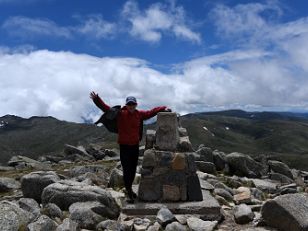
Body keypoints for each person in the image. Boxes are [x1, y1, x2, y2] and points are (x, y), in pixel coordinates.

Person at [90, 91, 171, 203]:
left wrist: (163, 108)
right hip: (124, 147)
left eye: (133, 104)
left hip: (134, 147)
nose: (131, 106)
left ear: (136, 105)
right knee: (127, 170)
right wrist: (97, 100)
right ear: (126, 105)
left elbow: (151, 112)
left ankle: (129, 190)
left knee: (132, 170)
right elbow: (107, 109)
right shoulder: (120, 114)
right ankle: (128, 192)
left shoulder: (139, 114)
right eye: (129, 104)